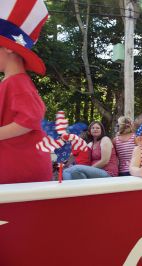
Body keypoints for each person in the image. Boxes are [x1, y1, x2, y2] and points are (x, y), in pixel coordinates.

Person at [0, 0, 52, 184]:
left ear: (7, 46)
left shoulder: (17, 82)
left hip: (21, 171)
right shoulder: (11, 82)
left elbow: (29, 121)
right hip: (15, 168)